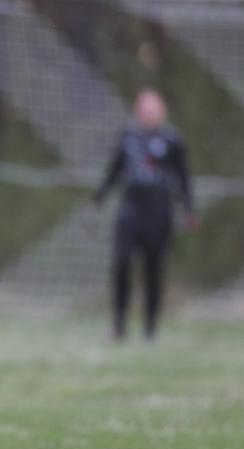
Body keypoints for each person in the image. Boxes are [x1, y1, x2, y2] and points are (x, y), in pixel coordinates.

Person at [93, 88, 196, 340]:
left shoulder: (172, 140)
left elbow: (183, 177)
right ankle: (119, 326)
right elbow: (114, 171)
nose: (149, 114)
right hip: (130, 208)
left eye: (154, 109)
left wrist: (189, 209)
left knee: (153, 268)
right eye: (145, 109)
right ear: (138, 111)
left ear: (162, 112)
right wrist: (98, 199)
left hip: (158, 210)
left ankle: (150, 328)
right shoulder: (128, 136)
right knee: (121, 262)